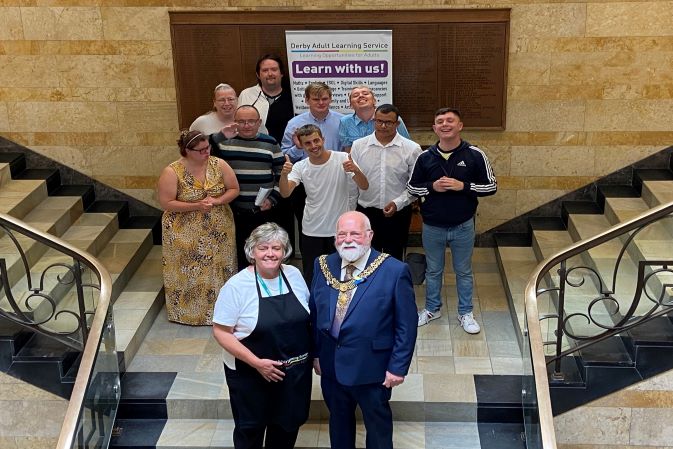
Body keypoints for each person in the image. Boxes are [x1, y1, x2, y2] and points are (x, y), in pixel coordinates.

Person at [309, 211, 417, 449]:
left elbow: (406, 326)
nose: (348, 239)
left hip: (373, 367)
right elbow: (315, 313)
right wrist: (316, 353)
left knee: (377, 427)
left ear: (369, 236)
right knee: (338, 423)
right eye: (342, 234)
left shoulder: (394, 271)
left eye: (355, 234)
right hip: (332, 366)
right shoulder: (323, 264)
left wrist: (397, 367)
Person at [213, 223, 311, 449]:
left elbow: (307, 317)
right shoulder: (236, 286)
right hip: (250, 375)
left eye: (276, 248)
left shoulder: (293, 274)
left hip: (292, 374)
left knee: (286, 428)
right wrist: (257, 363)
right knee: (251, 432)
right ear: (252, 251)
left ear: (284, 251)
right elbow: (221, 331)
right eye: (263, 248)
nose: (270, 254)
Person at [407, 107, 497, 333]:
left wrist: (463, 186)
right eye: (440, 121)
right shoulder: (425, 157)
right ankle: (431, 308)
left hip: (463, 225)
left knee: (463, 271)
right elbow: (411, 186)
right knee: (433, 271)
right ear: (434, 128)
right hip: (433, 226)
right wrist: (431, 187)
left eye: (450, 120)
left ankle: (465, 313)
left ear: (460, 126)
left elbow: (491, 186)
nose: (445, 124)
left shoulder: (475, 154)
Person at [158, 130, 240, 325]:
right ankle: (189, 314)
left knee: (221, 267)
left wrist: (219, 200)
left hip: (219, 227)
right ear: (187, 150)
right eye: (201, 150)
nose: (206, 152)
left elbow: (234, 189)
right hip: (184, 231)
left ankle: (222, 313)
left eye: (208, 148)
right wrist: (196, 205)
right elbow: (166, 202)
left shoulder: (218, 164)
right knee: (189, 271)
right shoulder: (172, 171)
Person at [279, 124, 368, 283]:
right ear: (302, 145)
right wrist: (284, 175)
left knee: (344, 276)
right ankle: (314, 307)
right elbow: (285, 192)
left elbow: (364, 185)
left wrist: (355, 170)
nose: (313, 146)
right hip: (312, 230)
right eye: (308, 143)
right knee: (313, 277)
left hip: (339, 231)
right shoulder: (300, 166)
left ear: (323, 139)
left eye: (316, 140)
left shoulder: (342, 158)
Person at [210, 105, 285, 271]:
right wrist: (219, 137)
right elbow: (197, 149)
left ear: (259, 122)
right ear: (234, 123)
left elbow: (281, 174)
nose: (246, 125)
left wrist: (273, 199)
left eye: (251, 121)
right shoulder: (223, 143)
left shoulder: (270, 143)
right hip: (232, 213)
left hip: (262, 212)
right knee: (237, 259)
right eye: (241, 121)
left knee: (265, 256)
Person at [350, 104, 422, 261]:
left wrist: (398, 203)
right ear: (374, 121)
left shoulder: (412, 149)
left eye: (388, 122)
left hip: (397, 213)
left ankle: (392, 286)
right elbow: (352, 182)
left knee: (393, 260)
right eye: (379, 121)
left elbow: (416, 184)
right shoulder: (359, 146)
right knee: (366, 259)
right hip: (366, 212)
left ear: (397, 124)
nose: (383, 126)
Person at [280, 82, 345, 242]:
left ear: (330, 99)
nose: (321, 103)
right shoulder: (294, 124)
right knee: (307, 229)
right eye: (316, 99)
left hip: (335, 182)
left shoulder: (342, 121)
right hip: (304, 182)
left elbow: (347, 150)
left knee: (339, 228)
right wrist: (298, 147)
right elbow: (285, 155)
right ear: (307, 100)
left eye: (324, 98)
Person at [239, 54, 295, 144]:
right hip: (256, 149)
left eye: (274, 69)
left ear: (281, 73)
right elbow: (238, 124)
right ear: (258, 74)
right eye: (265, 70)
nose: (270, 74)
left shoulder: (293, 97)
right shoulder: (247, 94)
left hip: (288, 151)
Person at [338, 85, 411, 152]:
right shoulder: (345, 122)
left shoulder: (392, 118)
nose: (361, 96)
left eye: (365, 94)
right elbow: (349, 152)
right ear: (350, 105)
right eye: (355, 95)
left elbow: (407, 144)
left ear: (374, 101)